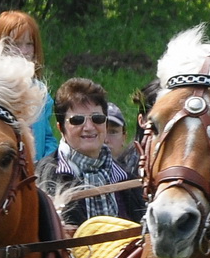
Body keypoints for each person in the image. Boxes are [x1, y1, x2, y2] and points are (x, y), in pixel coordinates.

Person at [38, 78, 145, 226]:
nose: (89, 127)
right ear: (60, 128)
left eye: (97, 118)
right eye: (77, 120)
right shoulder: (41, 180)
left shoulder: (128, 180)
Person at [0, 11, 58, 161]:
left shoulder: (40, 91)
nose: (24, 51)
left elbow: (47, 137)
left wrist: (47, 164)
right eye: (16, 44)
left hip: (37, 175)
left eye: (29, 44)